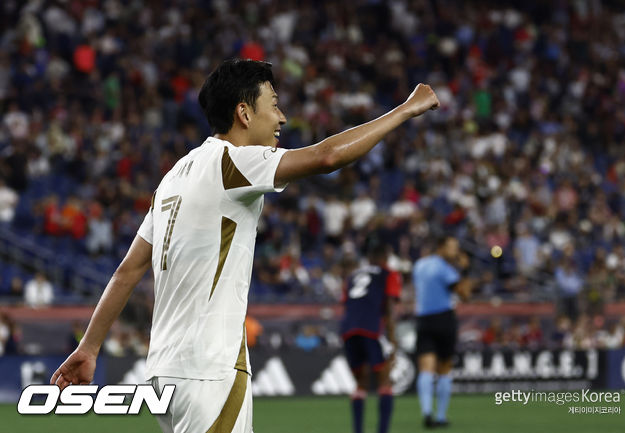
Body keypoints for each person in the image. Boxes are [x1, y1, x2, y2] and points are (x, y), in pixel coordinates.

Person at [50, 59, 439, 433]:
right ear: (244, 114)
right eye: (274, 104)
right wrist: (405, 110)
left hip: (164, 372)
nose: (282, 117)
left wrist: (90, 346)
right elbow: (328, 156)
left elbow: (128, 270)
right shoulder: (232, 162)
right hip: (210, 368)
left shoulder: (172, 178)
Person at [340, 238, 401, 433]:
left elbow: (347, 304)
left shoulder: (352, 276)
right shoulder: (388, 274)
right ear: (386, 257)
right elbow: (389, 307)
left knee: (360, 384)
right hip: (372, 328)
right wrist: (393, 340)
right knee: (385, 381)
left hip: (349, 330)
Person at [412, 236, 472, 429]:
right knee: (444, 368)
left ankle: (426, 412)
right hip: (444, 319)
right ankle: (440, 416)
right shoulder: (446, 269)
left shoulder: (419, 265)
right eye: (452, 247)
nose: (455, 252)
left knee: (426, 367)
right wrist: (465, 270)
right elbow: (465, 295)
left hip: (423, 319)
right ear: (441, 247)